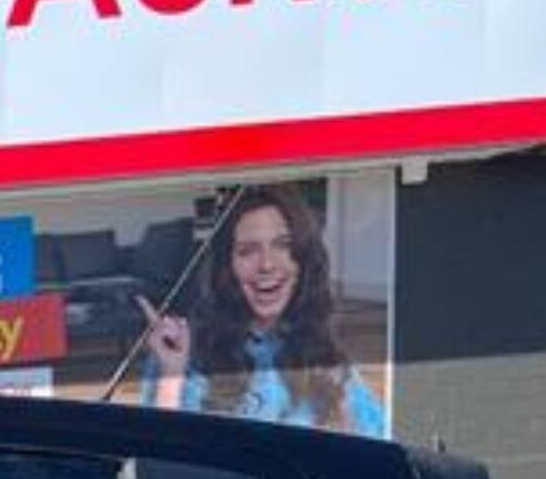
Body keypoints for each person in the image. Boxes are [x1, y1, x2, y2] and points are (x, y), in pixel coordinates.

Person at [141, 186, 387, 436]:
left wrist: (340, 410)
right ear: (228, 267)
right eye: (248, 250)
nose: (267, 264)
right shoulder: (187, 353)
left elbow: (376, 455)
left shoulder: (326, 359)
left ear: (303, 259)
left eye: (283, 245)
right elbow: (158, 460)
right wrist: (172, 372)